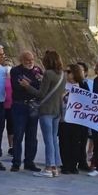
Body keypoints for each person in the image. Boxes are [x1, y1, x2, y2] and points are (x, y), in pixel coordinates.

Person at [19, 50, 65, 178]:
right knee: (54, 139)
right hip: (57, 110)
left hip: (46, 110)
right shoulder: (62, 74)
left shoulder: (48, 74)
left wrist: (27, 86)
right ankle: (55, 167)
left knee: (48, 140)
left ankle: (49, 167)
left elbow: (40, 94)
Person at [10, 50, 44, 172]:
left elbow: (41, 87)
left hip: (33, 106)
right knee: (18, 135)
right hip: (19, 105)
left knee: (32, 136)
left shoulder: (38, 70)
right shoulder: (15, 70)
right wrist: (32, 85)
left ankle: (29, 162)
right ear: (21, 60)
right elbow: (18, 86)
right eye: (27, 60)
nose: (30, 62)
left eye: (32, 59)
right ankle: (16, 162)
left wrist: (28, 84)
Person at [59, 64, 90, 174]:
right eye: (66, 71)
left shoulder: (82, 85)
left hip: (77, 120)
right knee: (64, 142)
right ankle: (65, 165)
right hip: (64, 118)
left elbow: (88, 101)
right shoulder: (62, 84)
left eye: (69, 72)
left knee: (76, 142)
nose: (66, 73)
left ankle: (73, 165)